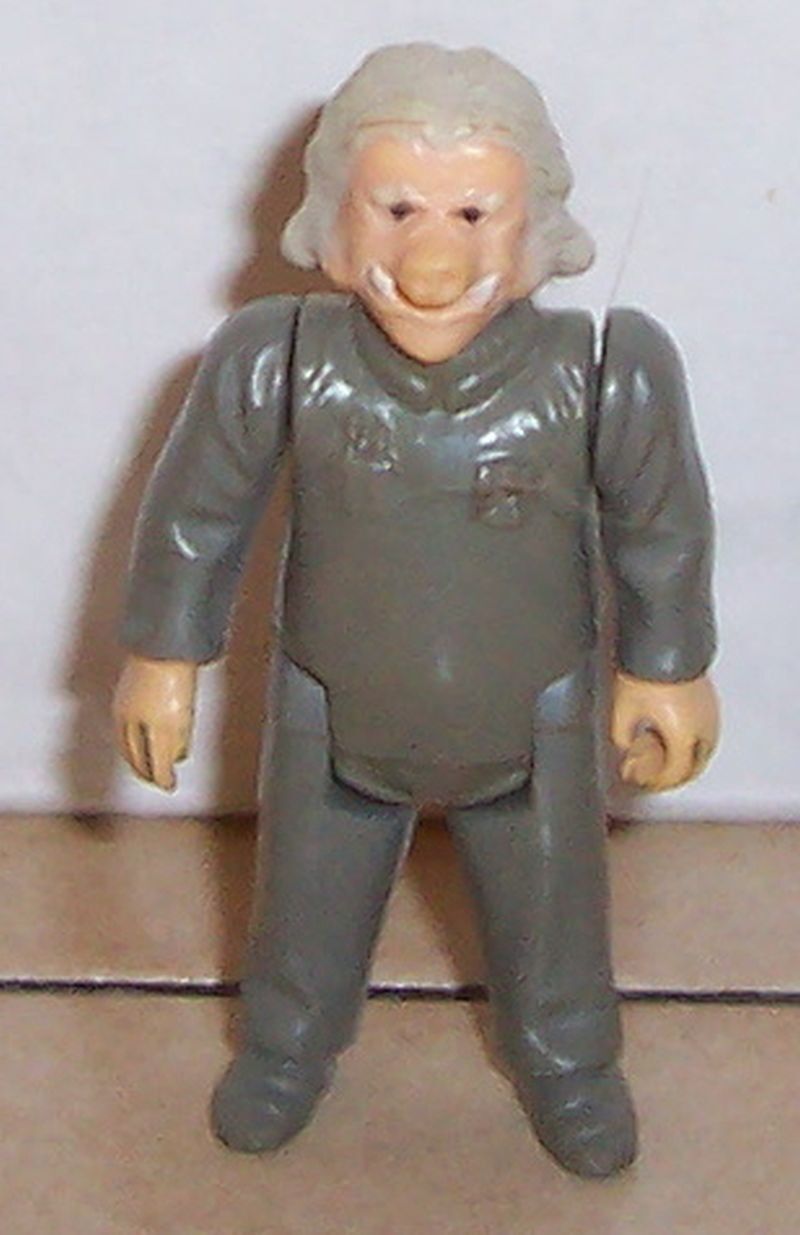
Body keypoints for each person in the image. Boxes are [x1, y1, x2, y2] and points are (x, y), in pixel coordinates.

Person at [113, 43, 719, 1178]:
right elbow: (198, 512)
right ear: (334, 219)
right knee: (307, 895)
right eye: (395, 209)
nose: (433, 261)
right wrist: (164, 653)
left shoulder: (602, 373)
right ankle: (288, 1047)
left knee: (551, 907)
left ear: (535, 226)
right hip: (329, 699)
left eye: (474, 214)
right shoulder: (278, 359)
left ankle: (570, 1062)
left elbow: (660, 527)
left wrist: (667, 665)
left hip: (531, 706)